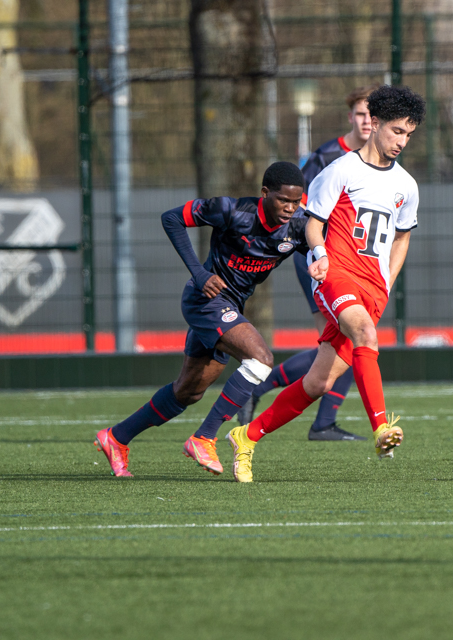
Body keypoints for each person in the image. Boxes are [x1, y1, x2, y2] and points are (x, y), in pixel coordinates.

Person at [224, 84, 426, 483]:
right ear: (375, 123)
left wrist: (386, 283)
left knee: (318, 382)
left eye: (408, 134)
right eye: (397, 131)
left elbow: (402, 238)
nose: (402, 141)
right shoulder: (341, 171)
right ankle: (382, 428)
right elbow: (312, 225)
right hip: (337, 275)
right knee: (365, 334)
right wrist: (320, 255)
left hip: (372, 288)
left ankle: (246, 436)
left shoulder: (407, 185)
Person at [94, 162, 309, 477]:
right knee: (261, 359)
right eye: (283, 200)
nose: (290, 208)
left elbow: (327, 247)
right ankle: (204, 438)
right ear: (265, 193)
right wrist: (199, 273)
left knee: (188, 391)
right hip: (205, 300)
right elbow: (171, 218)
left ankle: (116, 437)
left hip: (231, 307)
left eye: (296, 201)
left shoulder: (299, 226)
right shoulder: (231, 210)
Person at [239, 84, 380, 442]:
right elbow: (298, 211)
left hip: (357, 267)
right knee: (349, 339)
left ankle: (310, 416)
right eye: (361, 114)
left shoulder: (383, 161)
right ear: (350, 117)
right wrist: (318, 252)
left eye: (372, 115)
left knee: (344, 343)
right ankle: (317, 420)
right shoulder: (327, 156)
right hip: (321, 261)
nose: (367, 121)